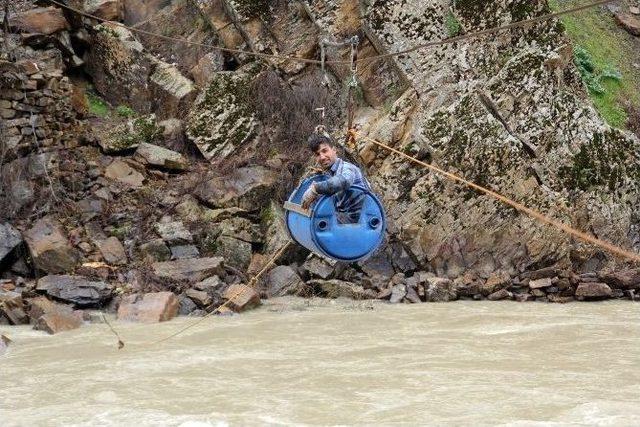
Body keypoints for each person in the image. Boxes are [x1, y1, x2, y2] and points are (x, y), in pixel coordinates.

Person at [301, 133, 371, 224]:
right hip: (350, 225)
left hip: (365, 224)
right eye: (318, 154)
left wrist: (316, 188)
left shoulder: (346, 168)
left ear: (334, 150)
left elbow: (344, 180)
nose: (322, 157)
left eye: (325, 151)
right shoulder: (331, 175)